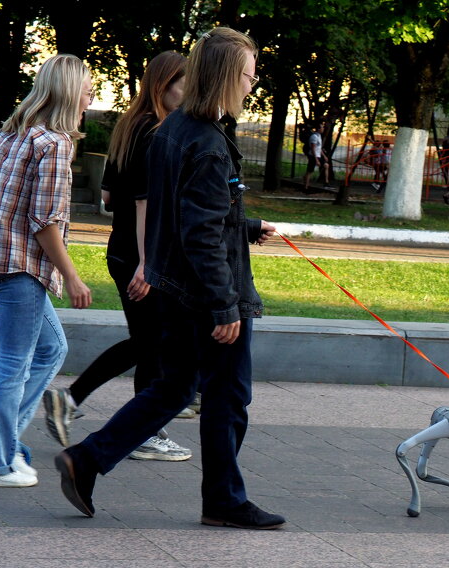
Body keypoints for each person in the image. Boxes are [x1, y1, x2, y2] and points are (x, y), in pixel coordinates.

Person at [54, 27, 285, 529]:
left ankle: (86, 460)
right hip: (205, 296)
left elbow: (186, 216)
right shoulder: (206, 143)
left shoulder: (175, 129)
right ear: (226, 75)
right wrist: (225, 307)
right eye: (248, 75)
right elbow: (199, 234)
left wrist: (244, 228)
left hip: (173, 289)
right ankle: (223, 500)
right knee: (228, 396)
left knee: (173, 388)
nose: (252, 85)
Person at [42, 51, 191, 462]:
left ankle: (140, 425)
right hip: (141, 254)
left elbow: (109, 195)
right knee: (150, 342)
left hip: (123, 249)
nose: (190, 92)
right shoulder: (155, 130)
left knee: (150, 342)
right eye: (185, 84)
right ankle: (75, 401)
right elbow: (143, 202)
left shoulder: (129, 125)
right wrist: (148, 263)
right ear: (164, 85)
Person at [0, 54, 93, 488]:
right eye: (87, 86)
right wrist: (73, 276)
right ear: (68, 92)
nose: (92, 94)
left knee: (50, 350)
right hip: (21, 268)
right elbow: (45, 225)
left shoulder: (11, 134)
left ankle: (2, 445)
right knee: (14, 366)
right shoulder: (54, 145)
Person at [302, 121, 329, 190]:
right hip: (313, 156)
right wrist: (316, 160)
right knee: (310, 171)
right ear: (318, 129)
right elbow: (313, 149)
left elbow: (319, 148)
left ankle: (326, 182)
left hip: (318, 155)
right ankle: (306, 187)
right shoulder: (314, 137)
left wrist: (324, 156)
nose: (323, 128)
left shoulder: (319, 136)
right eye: (322, 127)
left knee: (326, 165)